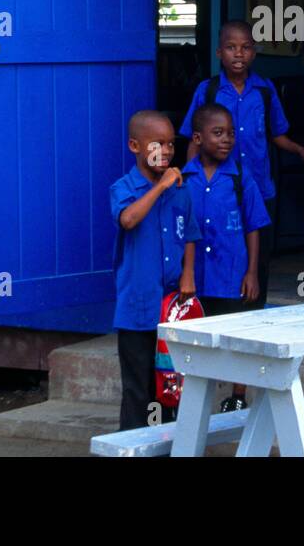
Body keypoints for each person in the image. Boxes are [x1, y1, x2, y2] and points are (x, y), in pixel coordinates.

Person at [180, 20, 304, 308]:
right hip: (217, 190)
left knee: (258, 260)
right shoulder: (208, 92)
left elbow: (276, 135)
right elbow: (193, 141)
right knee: (217, 250)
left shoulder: (264, 91)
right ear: (219, 53)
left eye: (245, 48)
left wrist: (301, 149)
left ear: (254, 53)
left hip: (259, 188)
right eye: (231, 48)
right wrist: (188, 182)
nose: (238, 54)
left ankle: (255, 320)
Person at [108, 109, 199, 431]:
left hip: (172, 306)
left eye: (171, 143)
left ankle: (172, 447)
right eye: (157, 144)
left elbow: (190, 233)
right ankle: (134, 446)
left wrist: (188, 274)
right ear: (135, 146)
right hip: (137, 306)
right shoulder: (123, 188)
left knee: (172, 385)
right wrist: (159, 187)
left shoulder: (181, 190)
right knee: (138, 388)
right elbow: (128, 220)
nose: (167, 151)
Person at [183, 102, 271, 411]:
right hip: (195, 278)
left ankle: (238, 396)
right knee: (196, 338)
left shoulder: (240, 178)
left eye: (231, 134)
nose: (226, 140)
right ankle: (192, 397)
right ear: (197, 138)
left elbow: (254, 226)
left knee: (236, 336)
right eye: (217, 133)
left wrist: (252, 273)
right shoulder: (182, 179)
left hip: (231, 273)